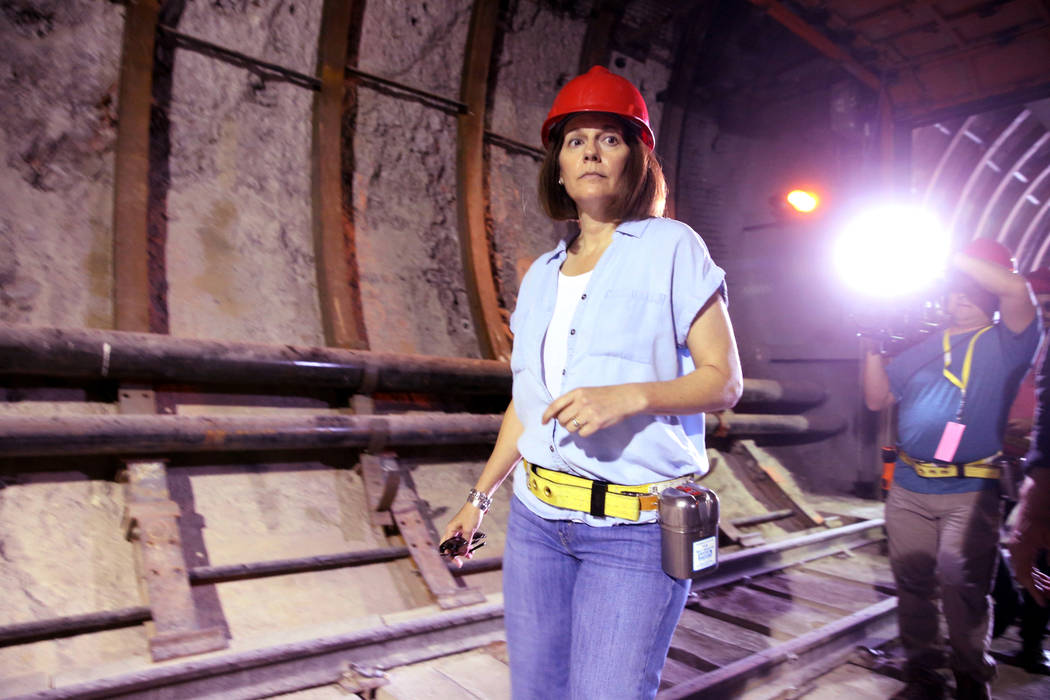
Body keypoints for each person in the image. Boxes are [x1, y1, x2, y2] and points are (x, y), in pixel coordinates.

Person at [440, 66, 742, 700]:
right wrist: (479, 497)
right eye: (576, 141)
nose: (591, 153)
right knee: (538, 692)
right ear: (557, 166)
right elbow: (528, 407)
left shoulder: (671, 246)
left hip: (633, 535)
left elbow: (723, 383)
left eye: (610, 138)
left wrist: (634, 395)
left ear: (637, 158)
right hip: (536, 523)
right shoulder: (542, 275)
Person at [862, 238, 1040, 700]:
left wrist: (943, 252)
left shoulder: (1009, 342)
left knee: (963, 590)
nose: (958, 297)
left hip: (970, 487)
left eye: (969, 288)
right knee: (914, 587)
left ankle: (970, 679)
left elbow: (1018, 292)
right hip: (908, 484)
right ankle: (924, 676)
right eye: (953, 289)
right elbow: (877, 398)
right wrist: (870, 345)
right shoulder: (924, 345)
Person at [1001, 268, 1050, 673]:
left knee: (1040, 560)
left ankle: (1031, 644)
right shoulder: (1006, 349)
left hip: (1034, 473)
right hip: (997, 467)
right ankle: (1008, 616)